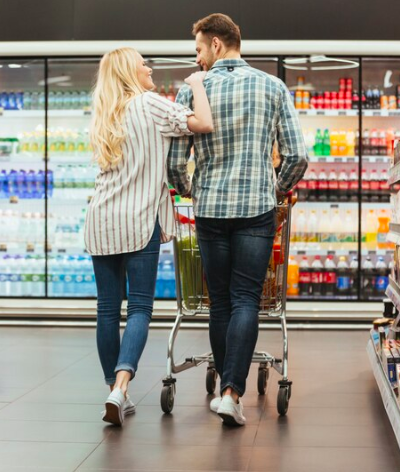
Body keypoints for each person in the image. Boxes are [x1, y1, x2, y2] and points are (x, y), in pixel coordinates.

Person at [168, 14, 309, 426]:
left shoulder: (192, 90)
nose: (198, 59)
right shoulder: (272, 86)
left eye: (198, 49)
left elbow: (176, 164)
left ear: (215, 44)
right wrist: (277, 189)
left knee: (221, 302)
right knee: (248, 298)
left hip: (210, 211)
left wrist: (192, 189)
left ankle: (227, 389)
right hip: (256, 210)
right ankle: (232, 392)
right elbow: (298, 156)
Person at [85, 47, 214, 426]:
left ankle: (113, 388)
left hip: (101, 219)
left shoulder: (105, 112)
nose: (150, 68)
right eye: (144, 63)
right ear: (130, 71)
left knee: (107, 309)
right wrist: (197, 84)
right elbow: (204, 123)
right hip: (139, 220)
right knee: (140, 307)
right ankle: (121, 387)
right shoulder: (151, 104)